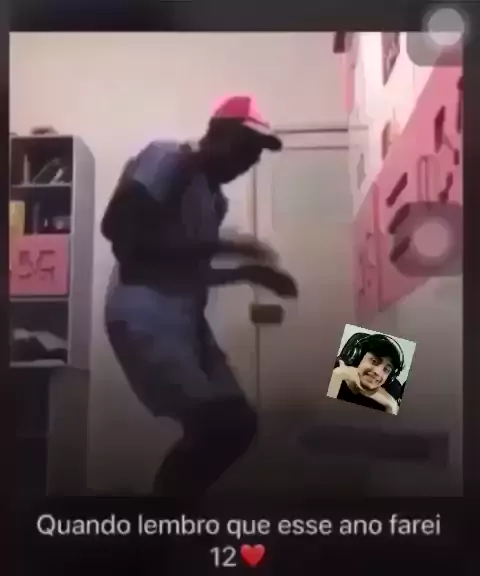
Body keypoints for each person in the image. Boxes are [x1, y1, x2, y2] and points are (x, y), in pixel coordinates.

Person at [101, 95, 298, 498]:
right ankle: (161, 522)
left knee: (238, 425)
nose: (250, 161)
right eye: (245, 148)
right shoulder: (170, 159)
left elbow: (187, 269)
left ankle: (170, 513)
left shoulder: (214, 199)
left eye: (256, 155)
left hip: (186, 321)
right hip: (145, 312)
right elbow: (122, 236)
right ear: (216, 135)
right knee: (214, 426)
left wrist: (246, 272)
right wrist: (228, 247)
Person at [327, 332, 404, 415]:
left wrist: (391, 406)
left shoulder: (388, 397)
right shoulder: (333, 369)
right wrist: (337, 377)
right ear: (359, 358)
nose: (377, 372)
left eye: (386, 370)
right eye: (374, 361)